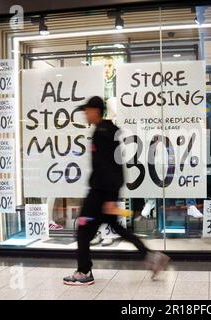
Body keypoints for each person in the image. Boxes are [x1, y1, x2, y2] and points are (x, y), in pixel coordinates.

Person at [63, 96, 170, 286]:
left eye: (86, 110)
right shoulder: (105, 130)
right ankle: (152, 257)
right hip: (104, 192)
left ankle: (84, 271)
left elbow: (110, 166)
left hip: (100, 193)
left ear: (95, 111)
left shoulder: (103, 133)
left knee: (83, 229)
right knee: (117, 228)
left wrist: (110, 198)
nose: (85, 114)